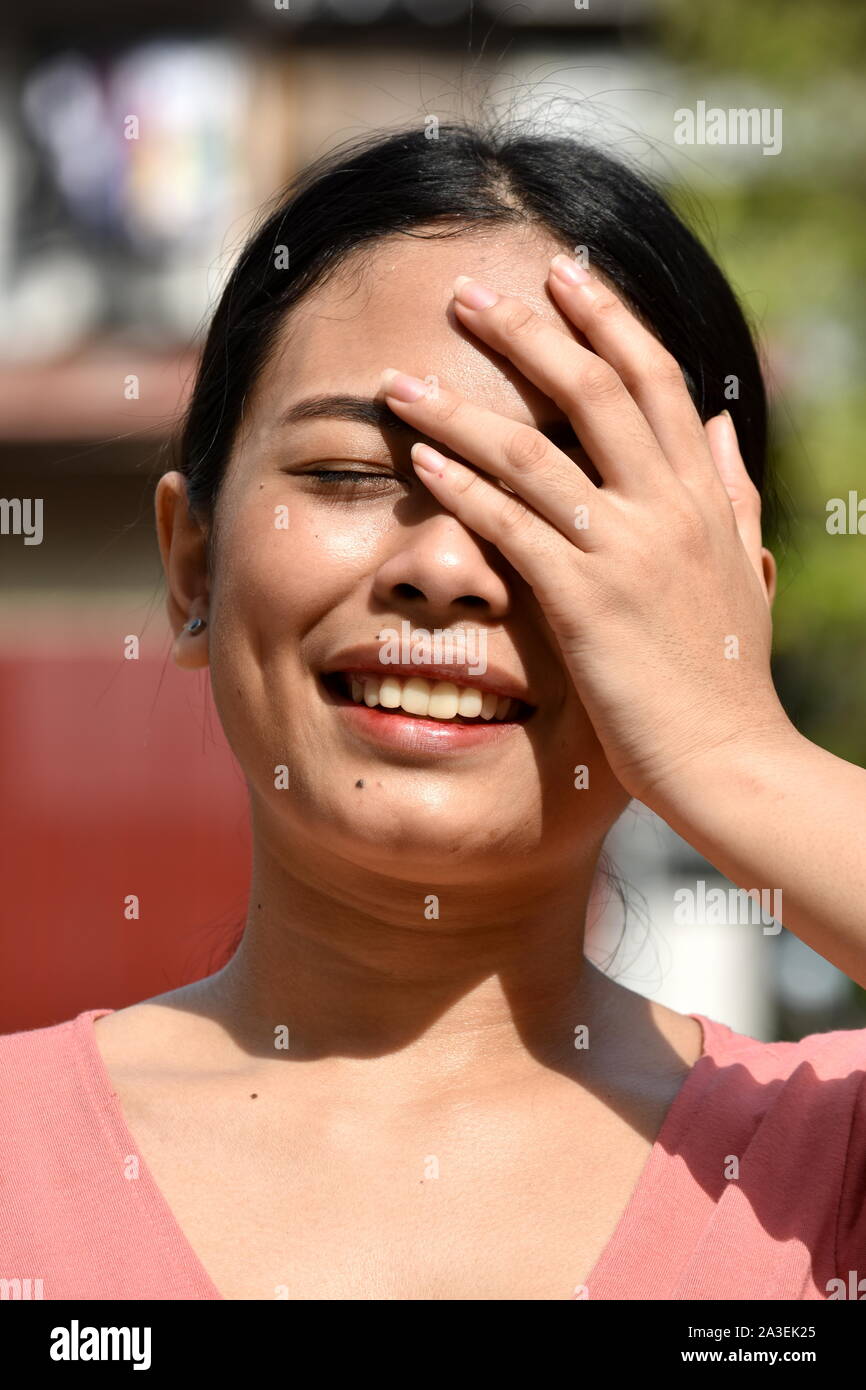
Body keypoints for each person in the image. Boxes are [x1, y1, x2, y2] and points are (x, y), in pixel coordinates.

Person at [2, 121, 865, 1301]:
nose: (447, 568)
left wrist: (735, 751)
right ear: (192, 565)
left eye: (559, 498)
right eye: (352, 474)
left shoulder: (825, 1169)